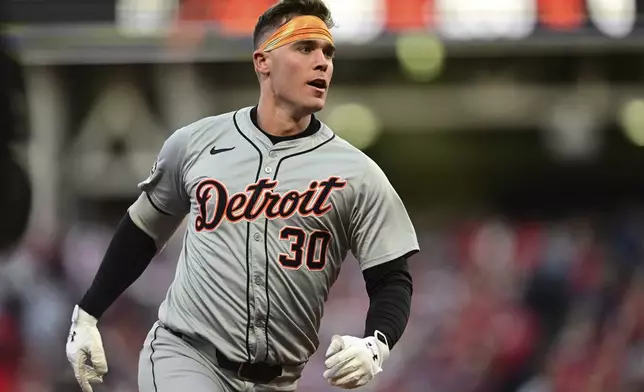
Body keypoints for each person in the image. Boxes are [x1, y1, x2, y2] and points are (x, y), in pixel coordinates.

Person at [65, 0, 419, 390]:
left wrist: (377, 344)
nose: (323, 62)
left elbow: (391, 277)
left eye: (328, 52)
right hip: (186, 356)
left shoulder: (358, 174)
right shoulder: (196, 143)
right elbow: (143, 229)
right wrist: (87, 314)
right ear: (262, 62)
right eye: (305, 48)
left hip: (279, 380)